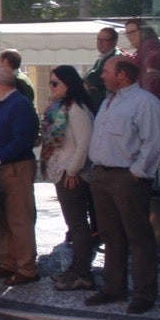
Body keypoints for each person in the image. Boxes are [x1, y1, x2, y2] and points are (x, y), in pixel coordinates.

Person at [84, 56, 160, 314]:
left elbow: (154, 142)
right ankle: (113, 288)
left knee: (138, 236)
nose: (103, 75)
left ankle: (144, 293)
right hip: (102, 176)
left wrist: (137, 172)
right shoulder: (110, 101)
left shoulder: (145, 102)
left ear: (122, 75)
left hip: (126, 178)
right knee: (111, 235)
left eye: (107, 71)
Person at [0, 67, 41, 286]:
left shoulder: (20, 105)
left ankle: (27, 268)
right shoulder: (5, 104)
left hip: (16, 167)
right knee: (5, 219)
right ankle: (8, 262)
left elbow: (23, 140)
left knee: (20, 219)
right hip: (3, 167)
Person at [41, 66, 97, 292]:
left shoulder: (77, 110)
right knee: (74, 225)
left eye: (55, 83)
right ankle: (76, 269)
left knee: (78, 225)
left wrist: (73, 171)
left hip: (72, 173)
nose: (51, 87)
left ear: (68, 85)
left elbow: (84, 144)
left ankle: (82, 272)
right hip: (61, 170)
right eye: (50, 83)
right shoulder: (60, 108)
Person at [122, 18, 160, 118]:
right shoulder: (146, 47)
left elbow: (152, 76)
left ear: (143, 31)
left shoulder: (150, 45)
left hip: (155, 98)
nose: (130, 36)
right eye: (127, 34)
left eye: (132, 32)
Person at [84, 26, 123, 111]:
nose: (100, 43)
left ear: (114, 41)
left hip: (106, 104)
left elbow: (93, 78)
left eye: (104, 40)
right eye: (98, 39)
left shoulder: (114, 58)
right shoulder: (101, 59)